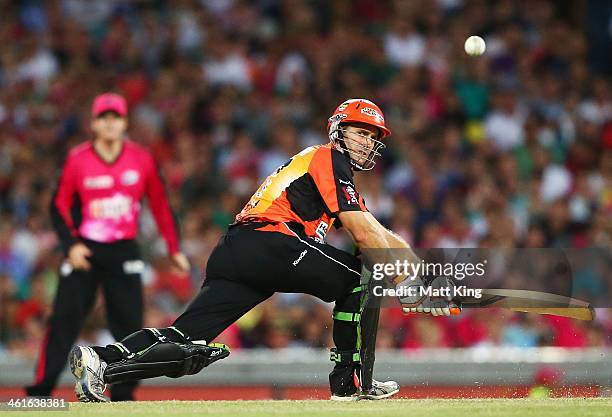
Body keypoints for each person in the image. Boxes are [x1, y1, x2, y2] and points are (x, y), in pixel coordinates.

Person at [67, 98, 454, 402]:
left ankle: (101, 361)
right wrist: (416, 280)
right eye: (362, 133)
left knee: (184, 340)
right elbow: (365, 237)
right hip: (271, 242)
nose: (369, 142)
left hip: (237, 250)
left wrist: (416, 270)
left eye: (374, 137)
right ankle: (351, 382)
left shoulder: (331, 172)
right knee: (359, 278)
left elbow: (373, 231)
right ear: (338, 131)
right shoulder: (328, 157)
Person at [26, 93, 190, 401]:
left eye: (116, 117)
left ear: (125, 122)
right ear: (94, 123)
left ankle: (124, 396)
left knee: (129, 327)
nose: (110, 123)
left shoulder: (141, 158)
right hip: (84, 250)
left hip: (123, 250)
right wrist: (72, 245)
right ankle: (40, 392)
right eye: (104, 118)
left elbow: (159, 204)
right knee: (63, 320)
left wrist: (173, 248)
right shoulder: (78, 158)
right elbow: (58, 205)